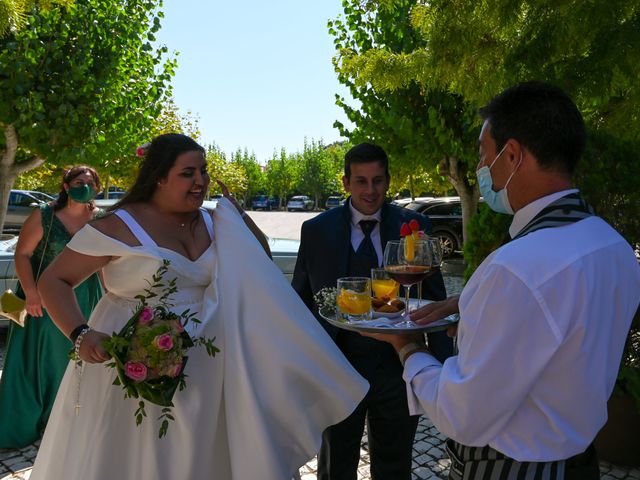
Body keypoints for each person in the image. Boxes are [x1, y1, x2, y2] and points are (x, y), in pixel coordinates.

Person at [30, 133, 368, 480]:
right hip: (136, 362)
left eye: (203, 171)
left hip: (213, 371)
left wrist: (238, 216)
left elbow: (260, 261)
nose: (201, 181)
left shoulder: (213, 221)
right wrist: (81, 334)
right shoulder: (118, 225)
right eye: (188, 173)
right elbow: (53, 281)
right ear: (159, 177)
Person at [366, 82, 640, 480]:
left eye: (484, 155)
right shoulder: (613, 247)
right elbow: (561, 340)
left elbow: (461, 413)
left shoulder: (516, 268)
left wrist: (408, 346)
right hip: (581, 464)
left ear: (512, 156)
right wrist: (475, 309)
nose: (480, 169)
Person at [292, 142, 453, 480]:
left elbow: (436, 301)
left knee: (395, 467)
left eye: (377, 180)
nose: (370, 190)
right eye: (361, 181)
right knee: (335, 466)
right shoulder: (316, 230)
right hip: (337, 365)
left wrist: (445, 369)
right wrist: (299, 366)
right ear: (346, 182)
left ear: (388, 181)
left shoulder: (415, 225)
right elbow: (301, 300)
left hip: (397, 365)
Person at [0, 166, 104, 449]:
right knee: (43, 357)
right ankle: (34, 421)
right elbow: (22, 254)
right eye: (78, 181)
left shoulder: (100, 220)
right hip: (44, 295)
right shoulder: (44, 215)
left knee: (76, 357)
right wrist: (32, 292)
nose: (84, 186)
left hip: (86, 295)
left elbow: (106, 261)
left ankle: (69, 422)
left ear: (97, 188)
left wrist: (110, 297)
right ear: (66, 186)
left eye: (90, 183)